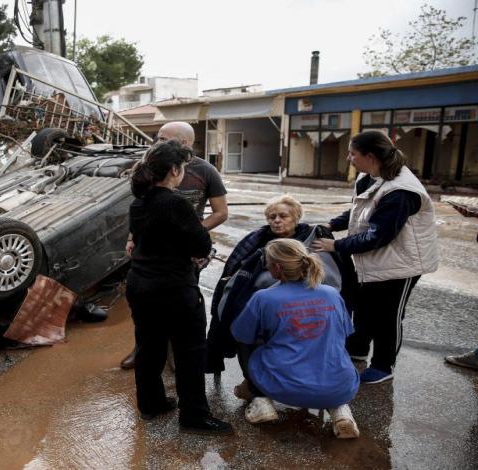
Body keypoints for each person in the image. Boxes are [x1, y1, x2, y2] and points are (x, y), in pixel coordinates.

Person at [313, 130, 438, 384]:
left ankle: (383, 365)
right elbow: (362, 211)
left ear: (370, 156)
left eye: (352, 153)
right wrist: (333, 223)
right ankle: (358, 348)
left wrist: (335, 246)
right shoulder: (369, 176)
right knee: (364, 305)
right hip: (374, 258)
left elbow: (378, 236)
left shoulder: (401, 191)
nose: (348, 158)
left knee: (388, 314)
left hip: (402, 263)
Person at [125, 139, 232, 435]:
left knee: (150, 348)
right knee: (190, 351)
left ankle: (151, 404)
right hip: (173, 288)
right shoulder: (175, 203)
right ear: (174, 170)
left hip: (140, 285)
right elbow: (201, 243)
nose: (183, 172)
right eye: (183, 167)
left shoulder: (139, 202)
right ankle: (194, 416)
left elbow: (144, 239)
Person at [206, 195, 356, 373]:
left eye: (283, 216)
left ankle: (257, 384)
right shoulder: (255, 240)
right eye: (272, 217)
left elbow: (329, 279)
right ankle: (252, 378)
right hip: (266, 312)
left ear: (296, 217)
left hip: (301, 312)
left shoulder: (315, 242)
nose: (276, 221)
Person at [121, 121, 228, 369]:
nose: (156, 143)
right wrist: (131, 238)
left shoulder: (206, 171)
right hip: (152, 249)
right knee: (147, 306)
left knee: (181, 306)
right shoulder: (152, 166)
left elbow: (221, 213)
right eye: (157, 138)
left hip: (186, 252)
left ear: (185, 143)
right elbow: (139, 207)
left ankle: (175, 353)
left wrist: (189, 233)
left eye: (162, 138)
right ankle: (144, 349)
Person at [231, 239, 360, 439]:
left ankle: (261, 400)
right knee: (331, 343)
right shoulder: (331, 293)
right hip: (341, 387)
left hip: (285, 388)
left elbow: (241, 334)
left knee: (247, 342)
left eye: (267, 262)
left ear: (275, 268)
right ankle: (340, 410)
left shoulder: (263, 297)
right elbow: (346, 332)